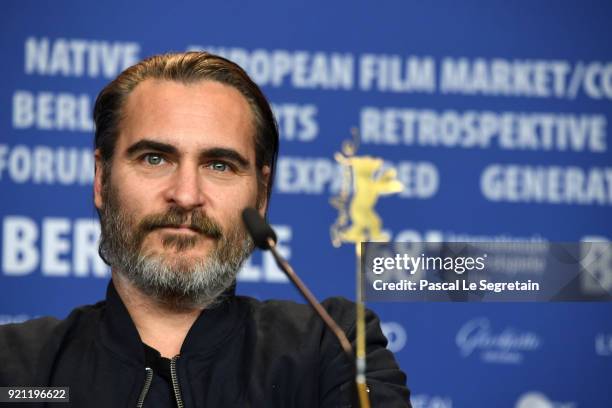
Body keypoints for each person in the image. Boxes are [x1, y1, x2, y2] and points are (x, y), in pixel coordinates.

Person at [0, 52, 411, 407]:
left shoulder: (332, 347)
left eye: (219, 166)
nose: (185, 195)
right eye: (154, 159)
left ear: (261, 195)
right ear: (100, 180)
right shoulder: (16, 368)